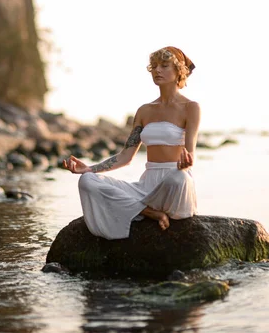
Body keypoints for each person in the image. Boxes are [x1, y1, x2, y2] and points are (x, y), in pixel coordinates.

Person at [63, 46, 201, 240]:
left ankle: (140, 209)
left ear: (179, 70)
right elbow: (125, 156)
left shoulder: (191, 107)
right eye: (154, 66)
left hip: (175, 183)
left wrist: (187, 163)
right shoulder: (144, 111)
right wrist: (89, 169)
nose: (157, 70)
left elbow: (190, 152)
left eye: (164, 65)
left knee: (179, 178)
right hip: (146, 186)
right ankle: (149, 211)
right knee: (87, 181)